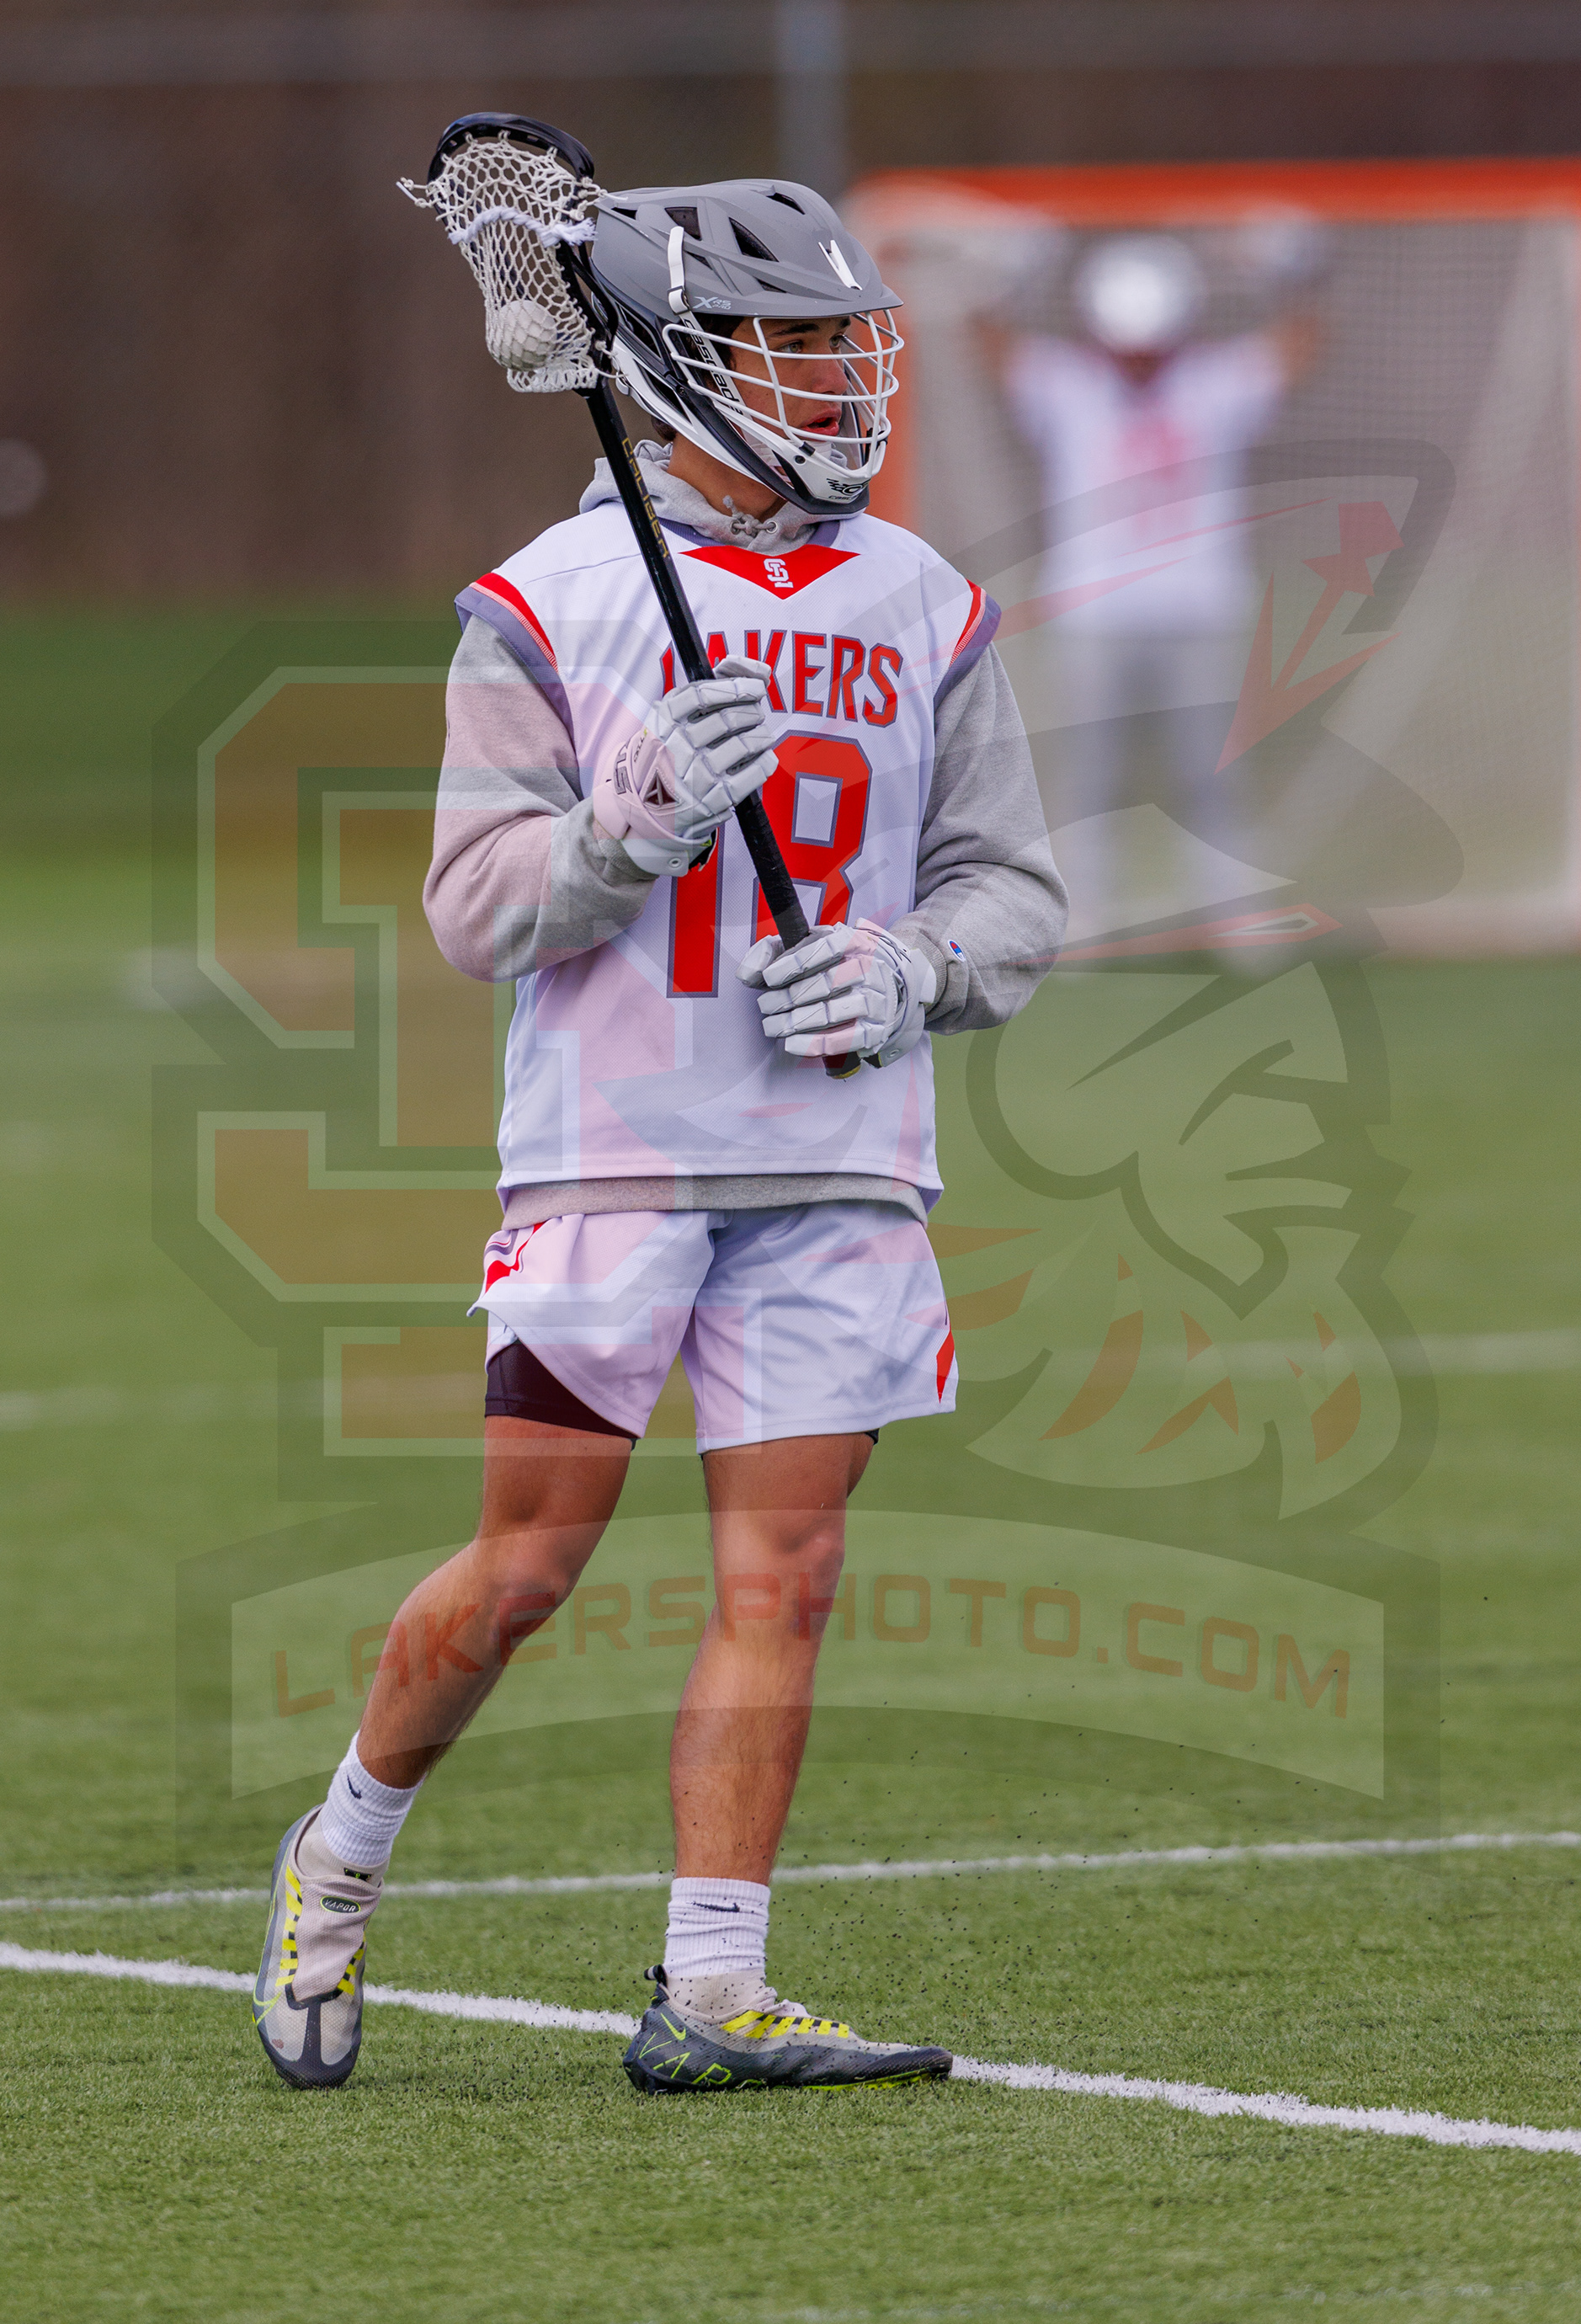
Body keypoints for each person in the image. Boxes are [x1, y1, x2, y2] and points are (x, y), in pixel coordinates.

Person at [251, 176, 1067, 2097]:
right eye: (795, 343)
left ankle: (712, 1987)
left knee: (785, 1571)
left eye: (844, 339)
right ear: (680, 362)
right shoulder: (547, 597)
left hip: (839, 1160)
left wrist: (914, 966)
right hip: (611, 1156)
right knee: (529, 1562)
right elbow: (476, 911)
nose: (839, 378)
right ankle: (338, 1855)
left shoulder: (926, 600)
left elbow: (1013, 892)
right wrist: (620, 832)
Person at [1003, 232, 1316, 930]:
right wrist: (1008, 276)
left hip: (1198, 608)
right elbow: (988, 342)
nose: (1139, 359)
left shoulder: (1217, 381)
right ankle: (1080, 917)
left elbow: (1298, 348)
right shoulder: (1066, 382)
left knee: (1213, 775)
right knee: (1087, 779)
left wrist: (1297, 277)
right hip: (1093, 613)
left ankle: (1233, 916)